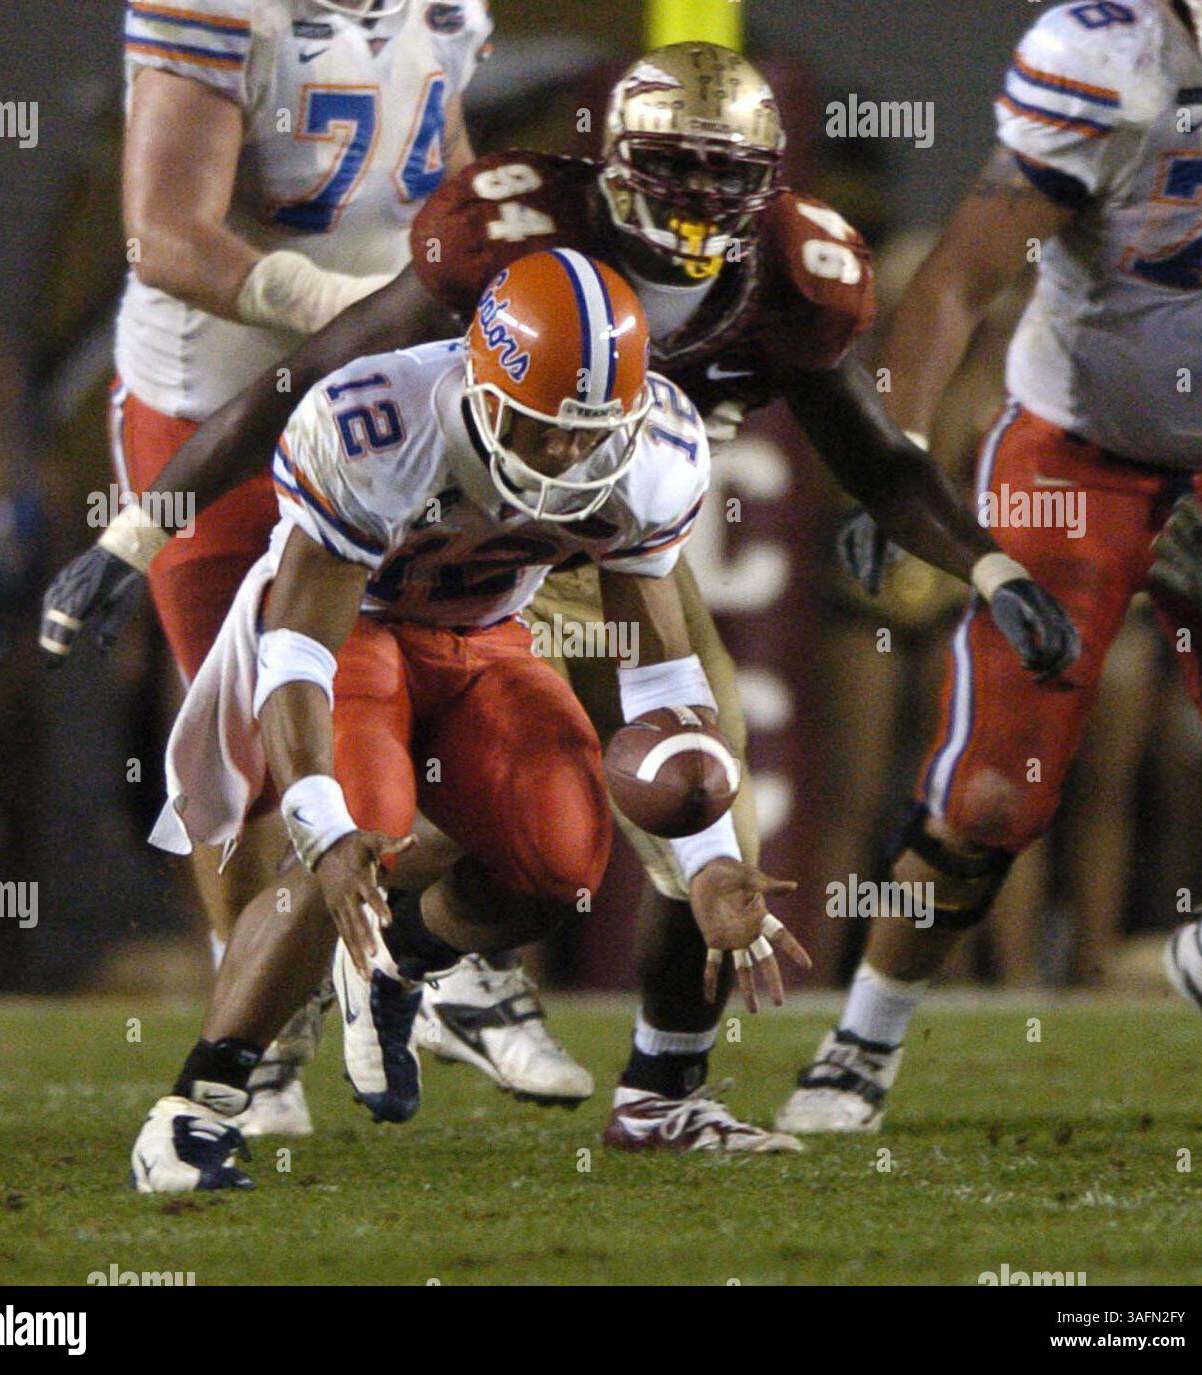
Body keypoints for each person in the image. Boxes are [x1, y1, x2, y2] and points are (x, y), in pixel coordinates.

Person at [46, 43, 1078, 1150]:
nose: (694, 202)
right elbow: (306, 380)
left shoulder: (757, 324)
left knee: (693, 789)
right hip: (436, 532)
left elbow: (864, 467)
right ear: (617, 160)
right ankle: (258, 1048)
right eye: (671, 168)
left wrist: (987, 563)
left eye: (722, 175)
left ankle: (643, 1080)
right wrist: (138, 528)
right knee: (359, 811)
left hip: (608, 526)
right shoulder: (472, 286)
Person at [129, 250, 814, 1190]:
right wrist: (321, 826)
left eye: (592, 432)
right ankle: (195, 1110)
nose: (573, 455)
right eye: (547, 430)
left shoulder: (655, 448)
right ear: (484, 390)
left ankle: (401, 962)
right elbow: (296, 656)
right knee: (359, 842)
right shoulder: (375, 421)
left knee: (563, 861)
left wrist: (706, 861)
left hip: (486, 639)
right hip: (352, 632)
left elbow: (659, 676)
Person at [779, 0, 1202, 1134]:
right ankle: (862, 1038)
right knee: (991, 788)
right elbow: (954, 283)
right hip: (1081, 447)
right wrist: (892, 470)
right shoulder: (1110, 61)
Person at [86, 0, 526, 1133]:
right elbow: (166, 236)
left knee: (435, 682)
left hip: (379, 403)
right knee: (245, 727)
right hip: (215, 409)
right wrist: (343, 307)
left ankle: (417, 956)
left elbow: (449, 174)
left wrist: (468, 287)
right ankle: (257, 1030)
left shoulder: (447, 10)